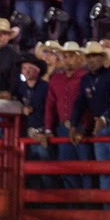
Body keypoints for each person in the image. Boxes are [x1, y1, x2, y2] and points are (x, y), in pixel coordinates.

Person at [69, 41, 110, 197]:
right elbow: (79, 103)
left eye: (94, 56)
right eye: (89, 57)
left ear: (101, 58)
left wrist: (104, 118)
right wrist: (73, 124)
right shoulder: (86, 80)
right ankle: (107, 212)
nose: (91, 60)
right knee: (104, 171)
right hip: (100, 128)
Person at [40, 41, 89, 190]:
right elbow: (50, 106)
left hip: (81, 127)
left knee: (86, 169)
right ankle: (75, 204)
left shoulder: (85, 77)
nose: (67, 60)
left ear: (79, 59)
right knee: (67, 169)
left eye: (71, 56)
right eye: (65, 56)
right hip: (64, 127)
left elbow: (89, 106)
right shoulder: (56, 79)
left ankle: (86, 206)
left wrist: (85, 127)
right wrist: (48, 130)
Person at [16, 53, 54, 190]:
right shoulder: (20, 88)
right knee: (30, 172)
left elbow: (51, 110)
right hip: (27, 135)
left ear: (38, 71)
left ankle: (49, 203)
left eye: (30, 68)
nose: (27, 71)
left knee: (45, 171)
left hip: (41, 133)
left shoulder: (46, 87)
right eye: (24, 68)